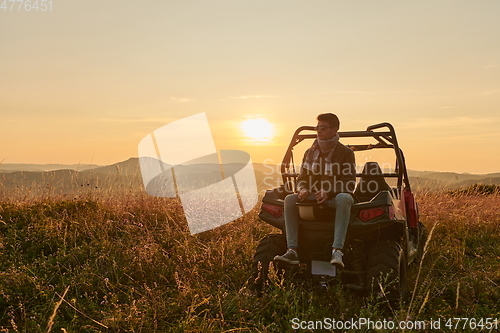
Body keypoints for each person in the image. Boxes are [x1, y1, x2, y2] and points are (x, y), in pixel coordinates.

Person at [274, 113, 356, 269]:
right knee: (290, 199)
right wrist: (302, 189)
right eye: (317, 128)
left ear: (334, 129)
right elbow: (302, 178)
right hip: (313, 197)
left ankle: (337, 250)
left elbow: (349, 183)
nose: (319, 131)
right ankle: (292, 250)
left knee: (344, 198)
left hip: (334, 197)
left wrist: (329, 192)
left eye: (323, 128)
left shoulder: (346, 153)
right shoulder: (310, 152)